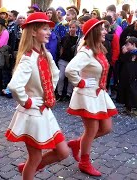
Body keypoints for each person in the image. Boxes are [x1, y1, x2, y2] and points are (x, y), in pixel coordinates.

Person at [5, 12, 69, 180]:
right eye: (45, 29)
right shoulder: (28, 59)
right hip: (32, 114)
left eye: (49, 29)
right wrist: (28, 101)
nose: (49, 32)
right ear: (33, 32)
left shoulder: (45, 54)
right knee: (35, 158)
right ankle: (28, 171)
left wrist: (48, 91)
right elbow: (14, 86)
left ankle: (28, 169)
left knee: (63, 152)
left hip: (45, 110)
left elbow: (56, 74)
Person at [65, 18, 118, 176]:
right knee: (92, 129)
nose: (105, 31)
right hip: (87, 95)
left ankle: (77, 143)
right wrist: (80, 82)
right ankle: (84, 162)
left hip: (98, 94)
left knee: (106, 128)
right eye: (102, 29)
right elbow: (70, 70)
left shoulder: (99, 50)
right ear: (94, 32)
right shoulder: (86, 51)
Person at [117, 37, 137, 115]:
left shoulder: (133, 53)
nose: (126, 46)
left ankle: (133, 108)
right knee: (127, 91)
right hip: (126, 75)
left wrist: (125, 53)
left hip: (132, 76)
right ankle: (128, 107)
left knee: (132, 91)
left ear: (133, 44)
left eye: (128, 44)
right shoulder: (129, 53)